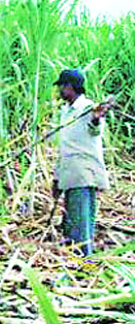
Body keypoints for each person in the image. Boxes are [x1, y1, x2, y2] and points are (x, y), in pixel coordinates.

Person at [51, 69, 110, 256]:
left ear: (69, 87)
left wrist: (96, 118)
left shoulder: (89, 109)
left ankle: (85, 260)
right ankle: (75, 259)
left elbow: (95, 129)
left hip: (83, 173)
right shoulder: (67, 111)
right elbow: (65, 147)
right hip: (70, 174)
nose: (59, 91)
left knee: (81, 222)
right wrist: (56, 178)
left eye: (61, 86)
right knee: (73, 220)